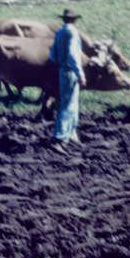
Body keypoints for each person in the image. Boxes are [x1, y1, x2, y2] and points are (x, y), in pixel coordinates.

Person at [48, 8, 87, 153]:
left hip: (62, 70)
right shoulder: (73, 32)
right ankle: (59, 138)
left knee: (71, 103)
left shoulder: (60, 31)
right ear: (75, 19)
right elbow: (73, 54)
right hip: (70, 71)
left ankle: (72, 135)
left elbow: (52, 54)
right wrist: (80, 73)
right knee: (68, 105)